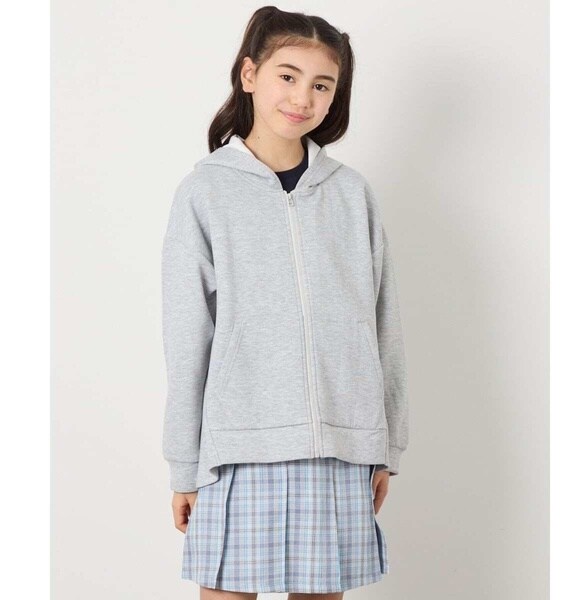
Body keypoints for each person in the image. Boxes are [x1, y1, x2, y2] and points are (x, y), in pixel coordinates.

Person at [161, 5, 409, 598]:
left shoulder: (351, 194)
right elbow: (187, 334)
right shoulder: (205, 192)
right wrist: (185, 463)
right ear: (249, 74)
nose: (303, 97)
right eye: (288, 76)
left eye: (322, 84)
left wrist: (384, 446)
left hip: (340, 445)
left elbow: (384, 325)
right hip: (240, 447)